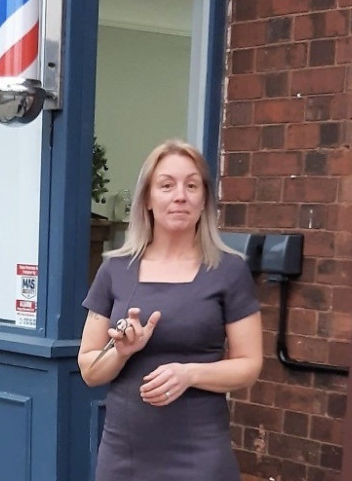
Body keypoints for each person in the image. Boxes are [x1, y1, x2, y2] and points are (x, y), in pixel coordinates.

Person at [79, 139, 262, 481]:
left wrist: (189, 374)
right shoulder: (115, 270)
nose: (180, 195)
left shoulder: (230, 271)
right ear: (147, 198)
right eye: (167, 185)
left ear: (203, 198)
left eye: (192, 185)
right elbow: (90, 369)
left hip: (200, 453)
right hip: (125, 453)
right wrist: (121, 352)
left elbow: (249, 365)